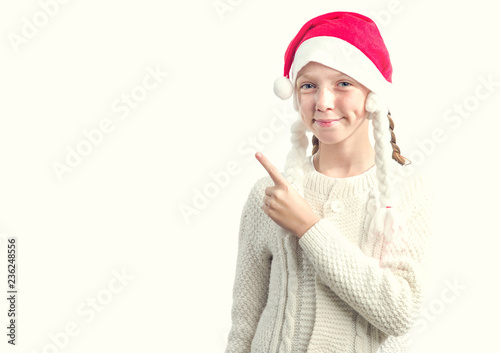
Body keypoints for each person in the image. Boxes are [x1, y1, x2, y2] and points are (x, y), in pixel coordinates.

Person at [225, 11, 434, 353]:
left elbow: (399, 313)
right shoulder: (269, 194)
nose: (322, 102)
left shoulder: (405, 193)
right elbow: (244, 320)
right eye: (309, 85)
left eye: (343, 83)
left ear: (372, 94)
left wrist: (308, 226)